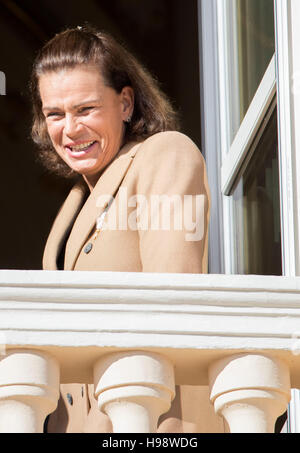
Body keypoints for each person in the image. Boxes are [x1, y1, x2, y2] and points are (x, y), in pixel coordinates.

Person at [30, 25, 211, 433]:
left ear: (125, 103)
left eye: (85, 109)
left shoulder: (165, 154)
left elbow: (171, 303)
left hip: (148, 419)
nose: (70, 130)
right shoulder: (73, 205)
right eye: (54, 114)